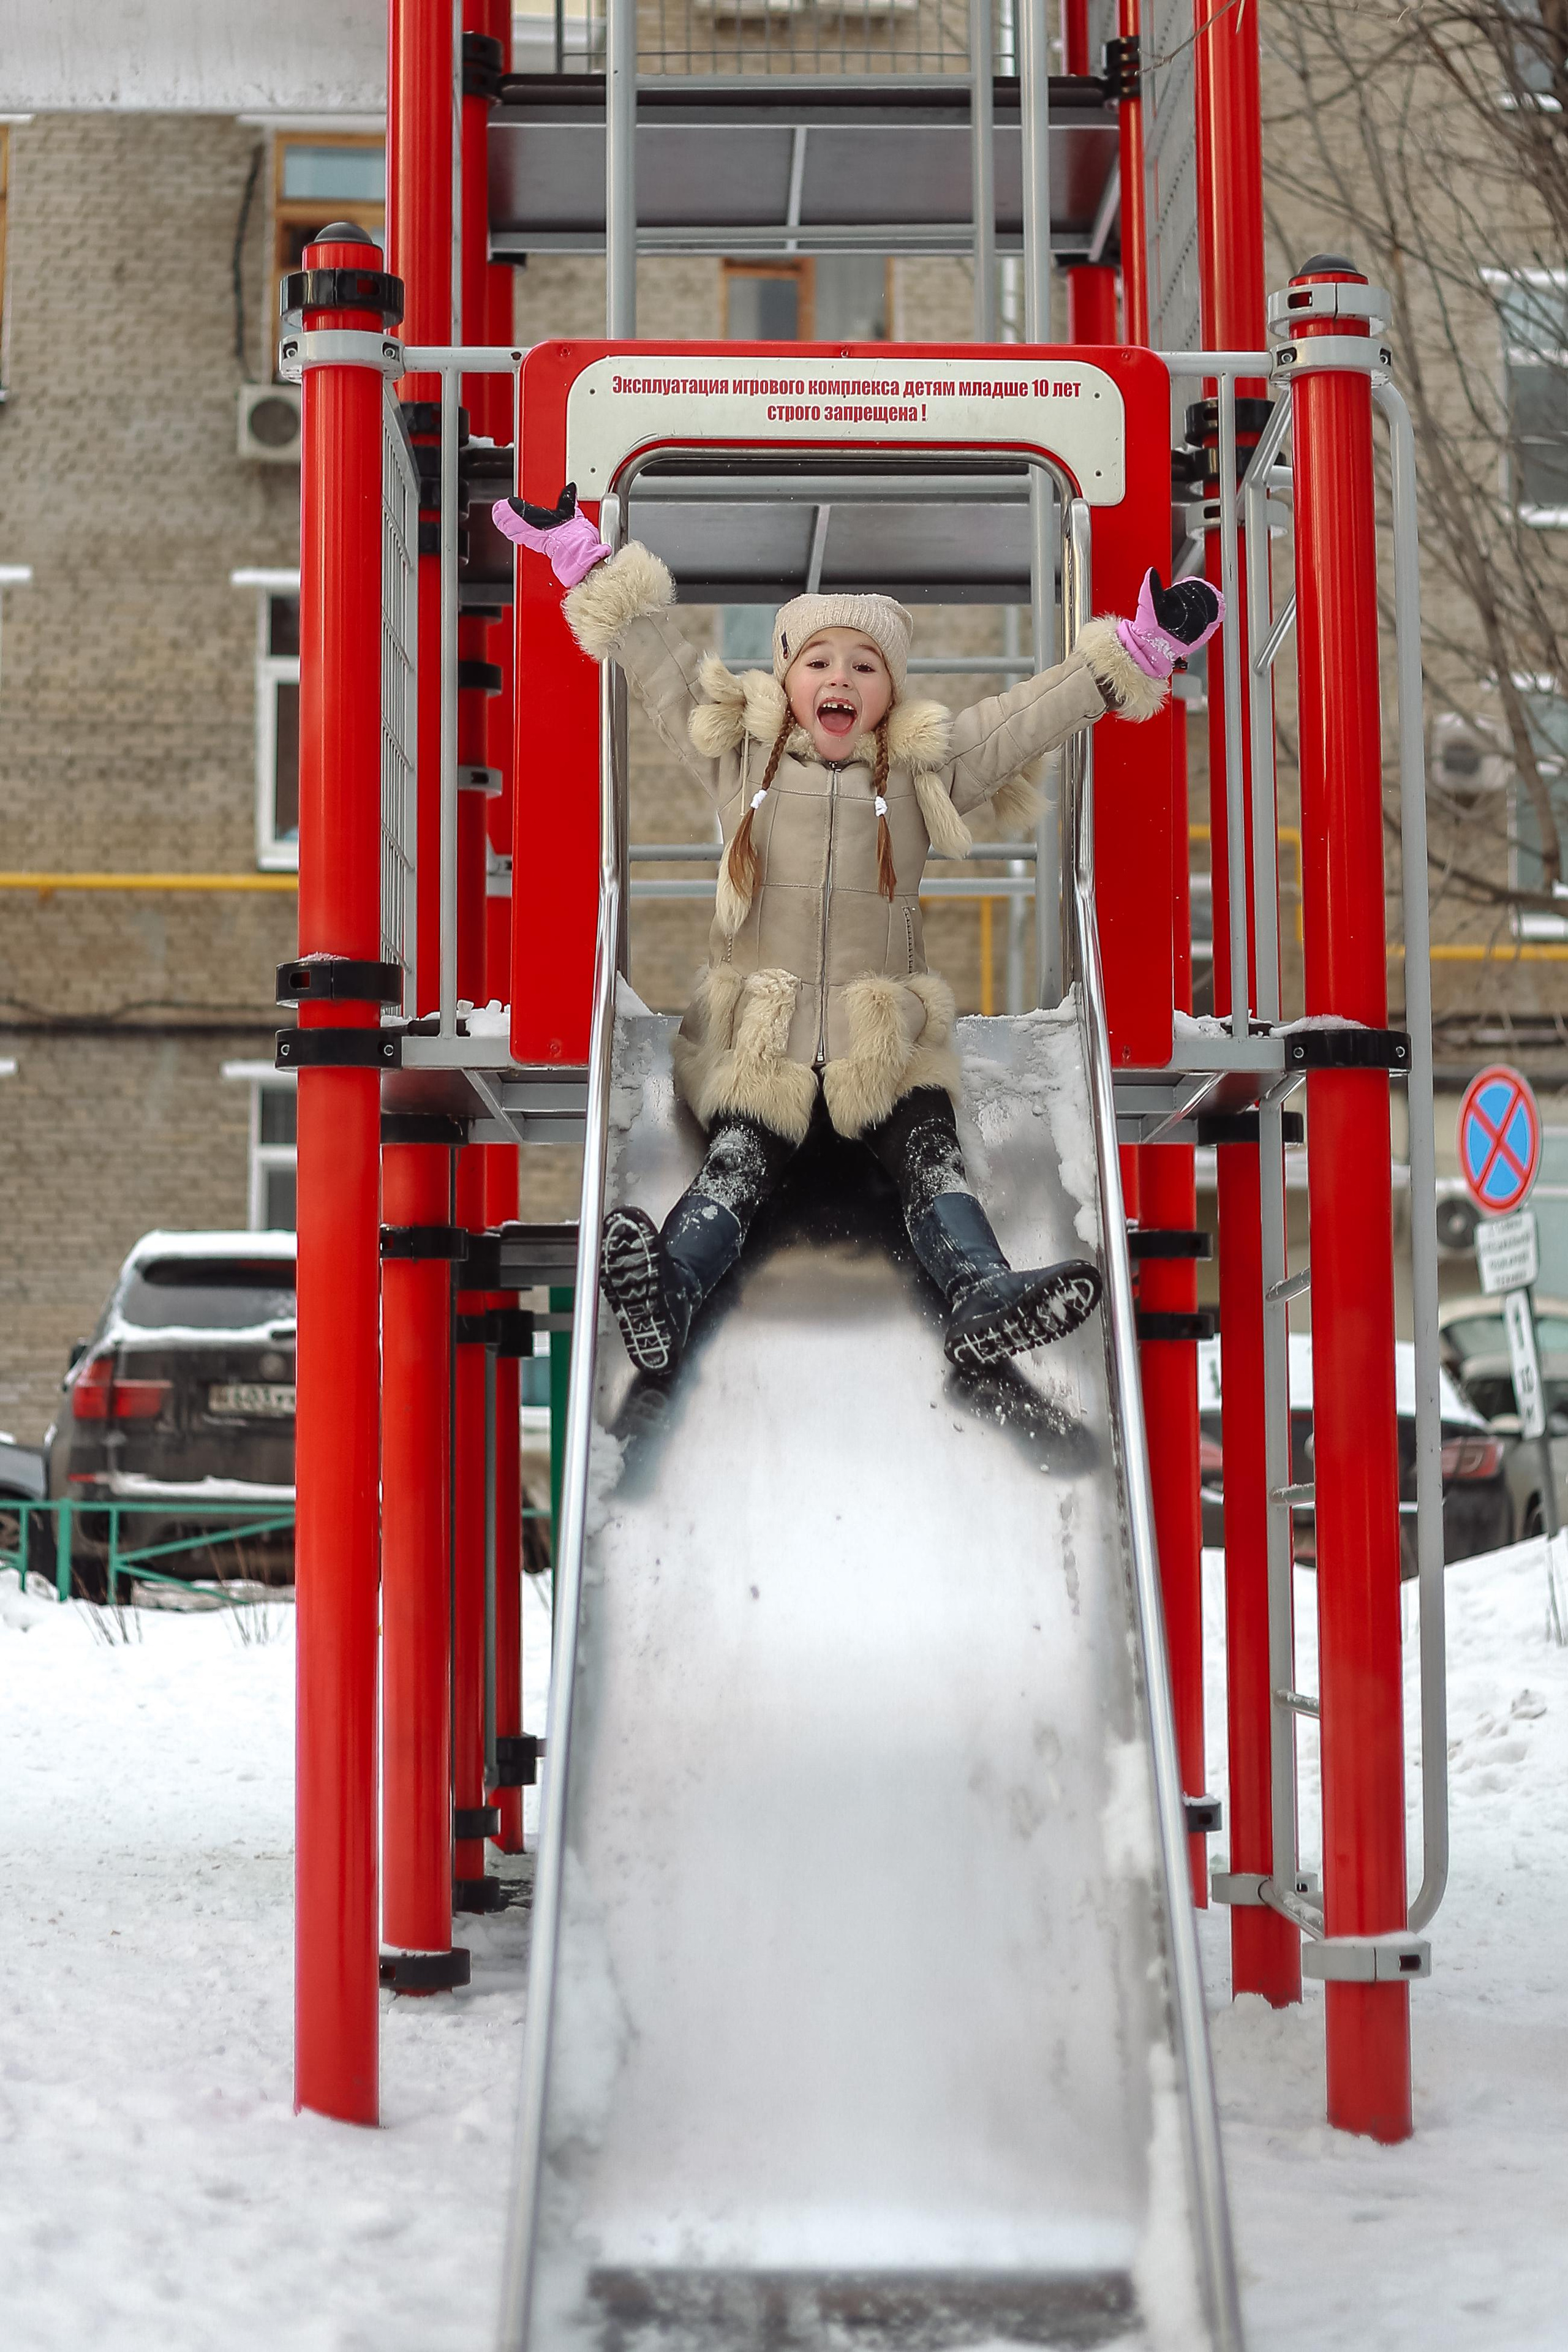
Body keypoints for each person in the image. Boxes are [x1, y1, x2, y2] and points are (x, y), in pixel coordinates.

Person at [494, 487, 1221, 1380]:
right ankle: (669, 1293)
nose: (841, 680)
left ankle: (981, 1295)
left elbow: (1029, 714)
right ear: (787, 677)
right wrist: (586, 559)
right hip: (765, 1042)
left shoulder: (926, 774)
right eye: (820, 662)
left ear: (891, 691)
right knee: (736, 1161)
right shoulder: (739, 756)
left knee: (931, 1157)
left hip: (886, 1045)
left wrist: (1135, 652)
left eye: (867, 667)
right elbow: (661, 665)